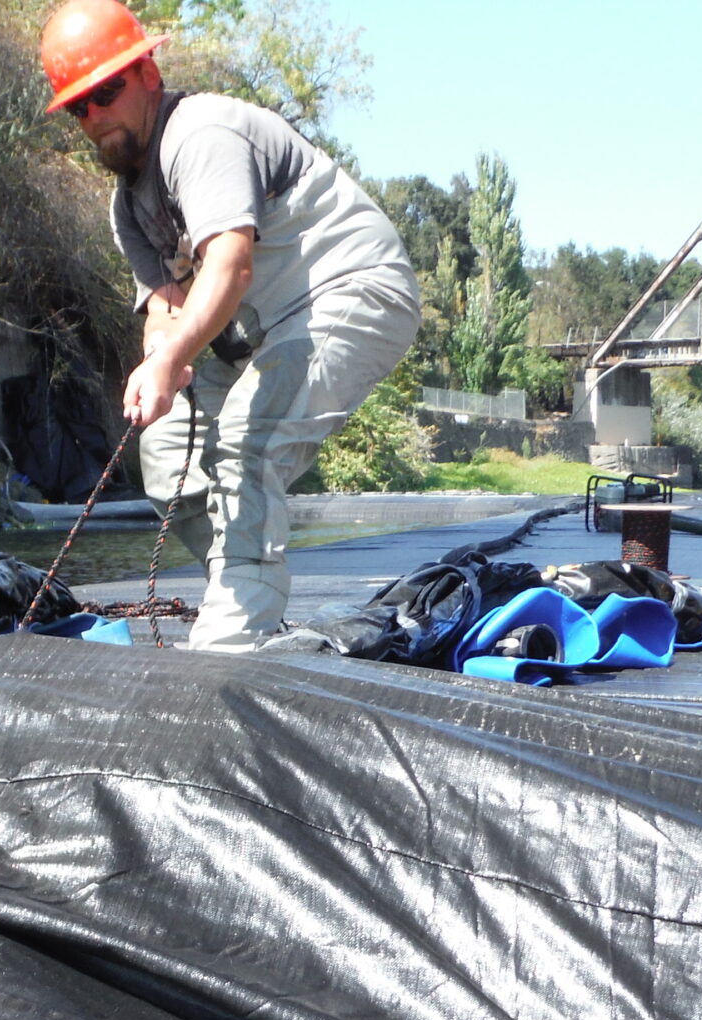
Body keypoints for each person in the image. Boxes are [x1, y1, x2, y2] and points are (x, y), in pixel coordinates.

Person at [39, 0, 421, 650]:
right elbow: (165, 304)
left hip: (354, 292)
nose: (95, 115)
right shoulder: (128, 205)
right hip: (263, 329)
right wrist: (159, 360)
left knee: (247, 440)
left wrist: (171, 357)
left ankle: (232, 647)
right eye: (79, 106)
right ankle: (243, 592)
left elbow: (231, 267)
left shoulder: (200, 134)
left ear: (148, 75)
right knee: (164, 452)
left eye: (106, 91)